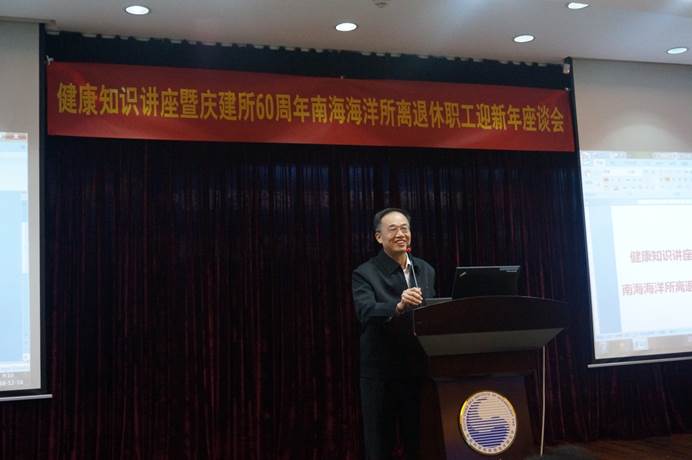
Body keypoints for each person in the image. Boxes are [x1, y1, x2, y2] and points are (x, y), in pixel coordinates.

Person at [352, 208, 436, 460]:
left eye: (405, 228)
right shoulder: (365, 273)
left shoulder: (425, 269)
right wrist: (397, 306)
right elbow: (365, 311)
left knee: (419, 442)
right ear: (379, 237)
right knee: (379, 445)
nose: (401, 234)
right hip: (381, 374)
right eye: (393, 229)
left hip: (417, 369)